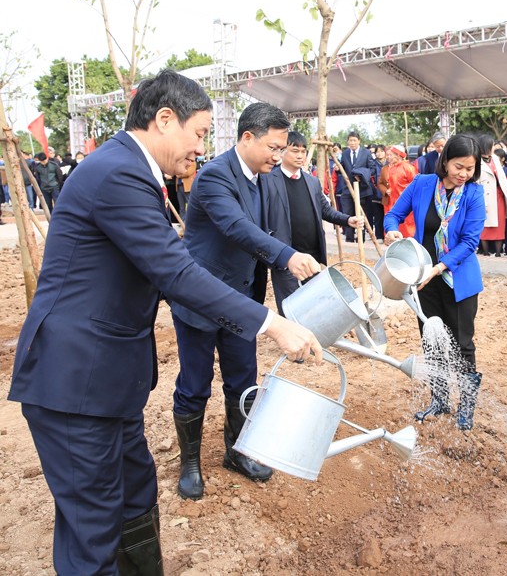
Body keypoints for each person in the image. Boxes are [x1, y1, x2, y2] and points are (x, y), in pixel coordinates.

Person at [7, 70, 321, 575]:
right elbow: (174, 271)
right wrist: (269, 322)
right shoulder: (117, 174)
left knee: (135, 496)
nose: (200, 147)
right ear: (164, 118)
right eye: (198, 133)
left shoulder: (133, 172)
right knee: (94, 531)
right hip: (74, 384)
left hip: (110, 382)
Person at [169, 102, 323, 501]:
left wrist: (292, 256)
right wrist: (285, 254)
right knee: (195, 383)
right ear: (247, 137)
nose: (278, 156)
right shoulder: (213, 176)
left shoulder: (266, 178)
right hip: (201, 297)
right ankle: (190, 463)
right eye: (272, 148)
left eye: (283, 148)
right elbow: (236, 228)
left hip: (243, 299)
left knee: (243, 378)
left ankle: (237, 451)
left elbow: (272, 228)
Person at [384, 133, 485, 430]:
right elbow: (393, 215)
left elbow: (469, 243)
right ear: (445, 161)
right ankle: (439, 400)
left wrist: (439, 267)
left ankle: (466, 405)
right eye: (458, 167)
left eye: (470, 168)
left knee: (462, 344)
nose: (464, 174)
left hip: (457, 280)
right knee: (432, 341)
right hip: (423, 280)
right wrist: (392, 231)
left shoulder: (474, 194)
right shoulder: (422, 184)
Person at [266, 130, 363, 312]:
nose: (300, 156)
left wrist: (347, 219)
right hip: (286, 255)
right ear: (282, 151)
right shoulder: (269, 181)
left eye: (303, 151)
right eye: (295, 151)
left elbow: (325, 210)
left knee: (314, 306)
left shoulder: (312, 182)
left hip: (312, 256)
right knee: (290, 307)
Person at [476, 134, 507, 257]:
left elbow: (502, 178)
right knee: (485, 225)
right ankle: (486, 251)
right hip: (485, 195)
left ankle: (498, 252)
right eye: (492, 145)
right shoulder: (477, 160)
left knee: (500, 224)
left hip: (498, 195)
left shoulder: (495, 158)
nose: (493, 147)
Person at [340, 130, 376, 242]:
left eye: (354, 140)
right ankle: (349, 238)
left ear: (359, 141)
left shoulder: (366, 153)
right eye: (350, 140)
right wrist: (337, 169)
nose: (352, 143)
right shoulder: (345, 153)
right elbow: (342, 168)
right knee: (347, 212)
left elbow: (372, 169)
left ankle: (361, 238)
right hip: (347, 189)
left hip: (362, 190)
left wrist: (362, 176)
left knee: (361, 214)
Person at [382, 144, 418, 236]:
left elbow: (416, 186)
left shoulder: (409, 168)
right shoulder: (391, 168)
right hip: (392, 202)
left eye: (391, 154)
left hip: (406, 203)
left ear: (398, 155)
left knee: (407, 230)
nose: (389, 157)